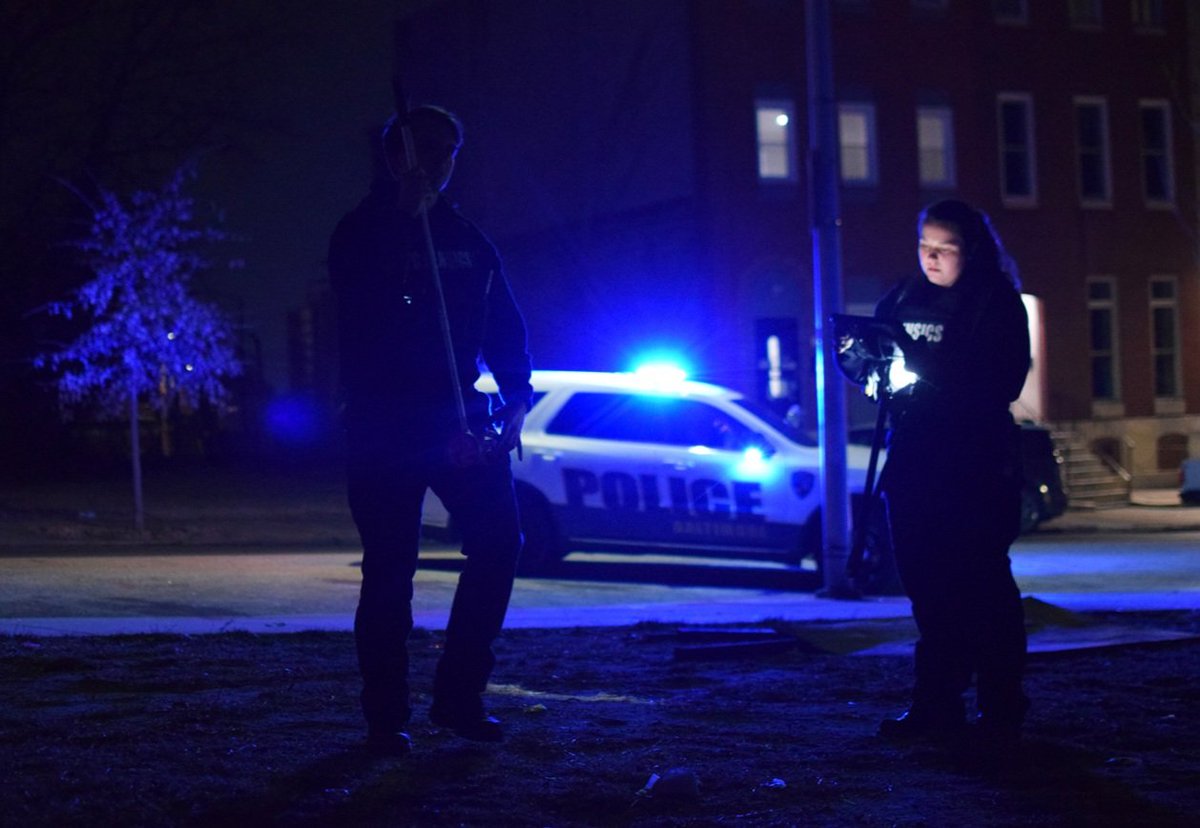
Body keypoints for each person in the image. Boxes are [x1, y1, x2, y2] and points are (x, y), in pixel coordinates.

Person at [328, 104, 533, 755]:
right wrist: (400, 226)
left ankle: (459, 695)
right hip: (384, 420)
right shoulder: (362, 231)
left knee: (500, 540)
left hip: (457, 418)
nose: (436, 163)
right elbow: (359, 306)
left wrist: (518, 395)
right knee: (390, 568)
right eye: (423, 150)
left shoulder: (469, 238)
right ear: (395, 157)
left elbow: (504, 325)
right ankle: (386, 716)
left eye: (447, 151)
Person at [867, 199, 1031, 747]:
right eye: (924, 246)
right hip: (913, 458)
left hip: (973, 463)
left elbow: (1000, 383)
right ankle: (937, 704)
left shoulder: (995, 304)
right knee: (926, 587)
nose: (931, 258)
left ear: (972, 249)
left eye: (945, 248)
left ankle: (1001, 706)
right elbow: (875, 356)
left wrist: (927, 366)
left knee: (982, 585)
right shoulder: (904, 296)